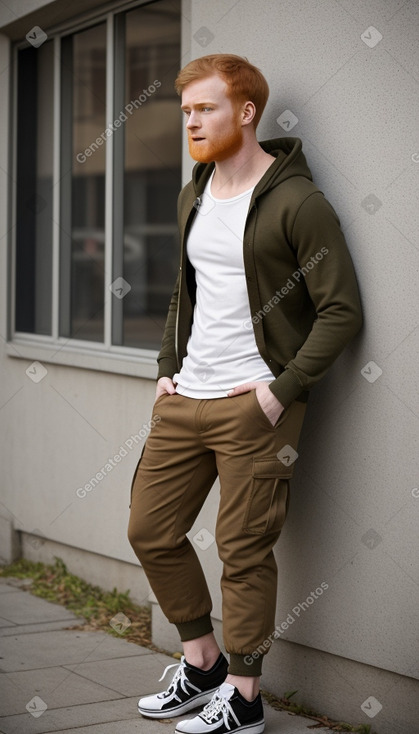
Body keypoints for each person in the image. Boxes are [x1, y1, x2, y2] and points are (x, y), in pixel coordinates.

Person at [128, 54, 362, 734]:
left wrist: (279, 391)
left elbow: (341, 311)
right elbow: (186, 288)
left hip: (253, 407)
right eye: (186, 112)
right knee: (149, 530)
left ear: (245, 112)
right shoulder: (192, 193)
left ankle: (244, 696)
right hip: (184, 397)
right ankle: (200, 663)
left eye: (203, 108)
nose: (190, 121)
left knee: (242, 550)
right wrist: (168, 362)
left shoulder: (297, 202)